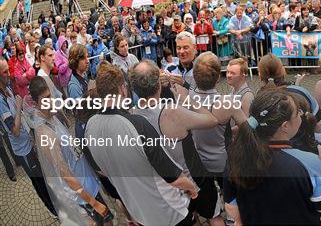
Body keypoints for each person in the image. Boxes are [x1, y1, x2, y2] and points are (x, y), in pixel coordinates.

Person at [85, 63, 199, 226]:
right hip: (168, 212)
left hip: (138, 212)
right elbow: (172, 176)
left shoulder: (90, 126)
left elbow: (100, 170)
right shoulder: (136, 123)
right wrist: (191, 188)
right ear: (123, 89)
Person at [128, 59, 222, 226]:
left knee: (191, 219)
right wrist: (187, 98)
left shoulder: (132, 116)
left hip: (171, 186)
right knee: (213, 216)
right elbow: (212, 120)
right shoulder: (172, 111)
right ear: (158, 82)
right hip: (194, 177)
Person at [224, 89, 321, 225]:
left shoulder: (236, 155)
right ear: (285, 126)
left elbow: (231, 206)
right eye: (297, 113)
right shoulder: (309, 162)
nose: (301, 116)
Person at [28, 76, 113, 225]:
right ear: (36, 104)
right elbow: (65, 175)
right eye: (45, 99)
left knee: (108, 220)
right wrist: (92, 202)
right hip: (84, 193)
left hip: (88, 181)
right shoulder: (45, 134)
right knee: (105, 222)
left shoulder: (51, 117)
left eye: (50, 96)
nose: (50, 102)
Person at [0, 61, 57, 218]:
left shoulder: (8, 89)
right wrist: (18, 107)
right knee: (37, 179)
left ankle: (52, 202)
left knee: (41, 174)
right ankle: (51, 209)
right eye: (5, 72)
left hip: (28, 142)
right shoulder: (0, 101)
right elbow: (15, 130)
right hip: (22, 149)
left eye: (8, 71)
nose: (9, 74)